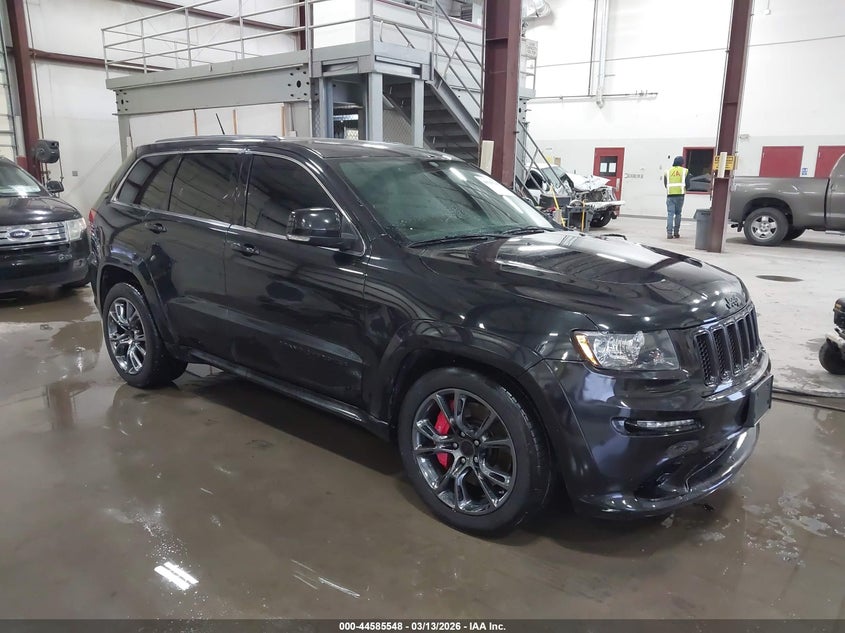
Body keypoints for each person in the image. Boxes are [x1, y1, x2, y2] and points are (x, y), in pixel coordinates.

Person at [664, 156, 691, 239]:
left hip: (670, 195)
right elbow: (688, 184)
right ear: (682, 163)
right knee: (678, 214)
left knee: (670, 214)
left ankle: (669, 233)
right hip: (680, 195)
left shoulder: (667, 171)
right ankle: (676, 233)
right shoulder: (685, 171)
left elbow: (665, 184)